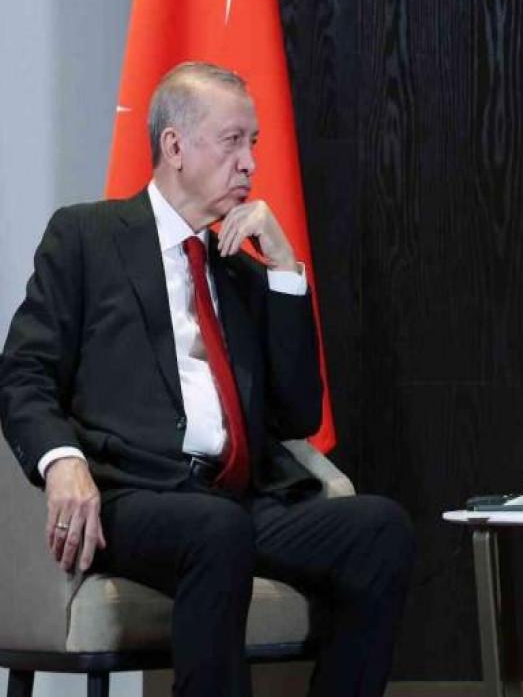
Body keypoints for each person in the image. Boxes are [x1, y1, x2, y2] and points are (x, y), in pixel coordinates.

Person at [0, 62, 416, 697]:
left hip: (239, 501)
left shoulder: (237, 270)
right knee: (214, 530)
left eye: (254, 143)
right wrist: (62, 462)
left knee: (381, 530)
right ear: (174, 147)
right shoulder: (88, 237)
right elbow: (23, 372)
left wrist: (285, 270)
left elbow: (298, 414)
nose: (250, 162)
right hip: (132, 498)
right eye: (233, 141)